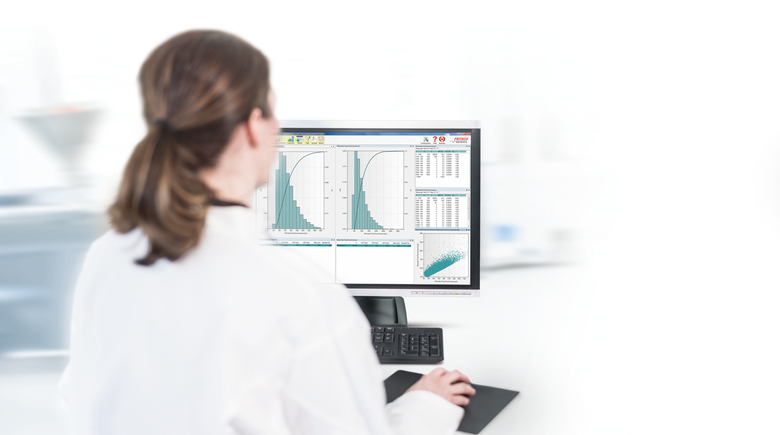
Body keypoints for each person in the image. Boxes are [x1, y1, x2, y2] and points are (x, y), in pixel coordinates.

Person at [59, 30, 475, 435]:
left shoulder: (107, 256)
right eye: (273, 112)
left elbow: (85, 402)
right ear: (253, 125)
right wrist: (426, 407)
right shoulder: (300, 295)